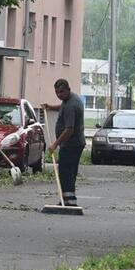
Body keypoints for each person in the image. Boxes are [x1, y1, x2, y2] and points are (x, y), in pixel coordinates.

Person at [42, 78, 85, 207]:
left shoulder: (72, 105)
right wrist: (50, 107)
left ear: (68, 90)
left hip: (71, 144)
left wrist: (55, 144)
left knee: (66, 172)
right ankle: (66, 199)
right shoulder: (70, 100)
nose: (59, 95)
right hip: (73, 144)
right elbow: (62, 107)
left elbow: (69, 130)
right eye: (56, 92)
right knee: (68, 172)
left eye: (61, 92)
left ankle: (69, 202)